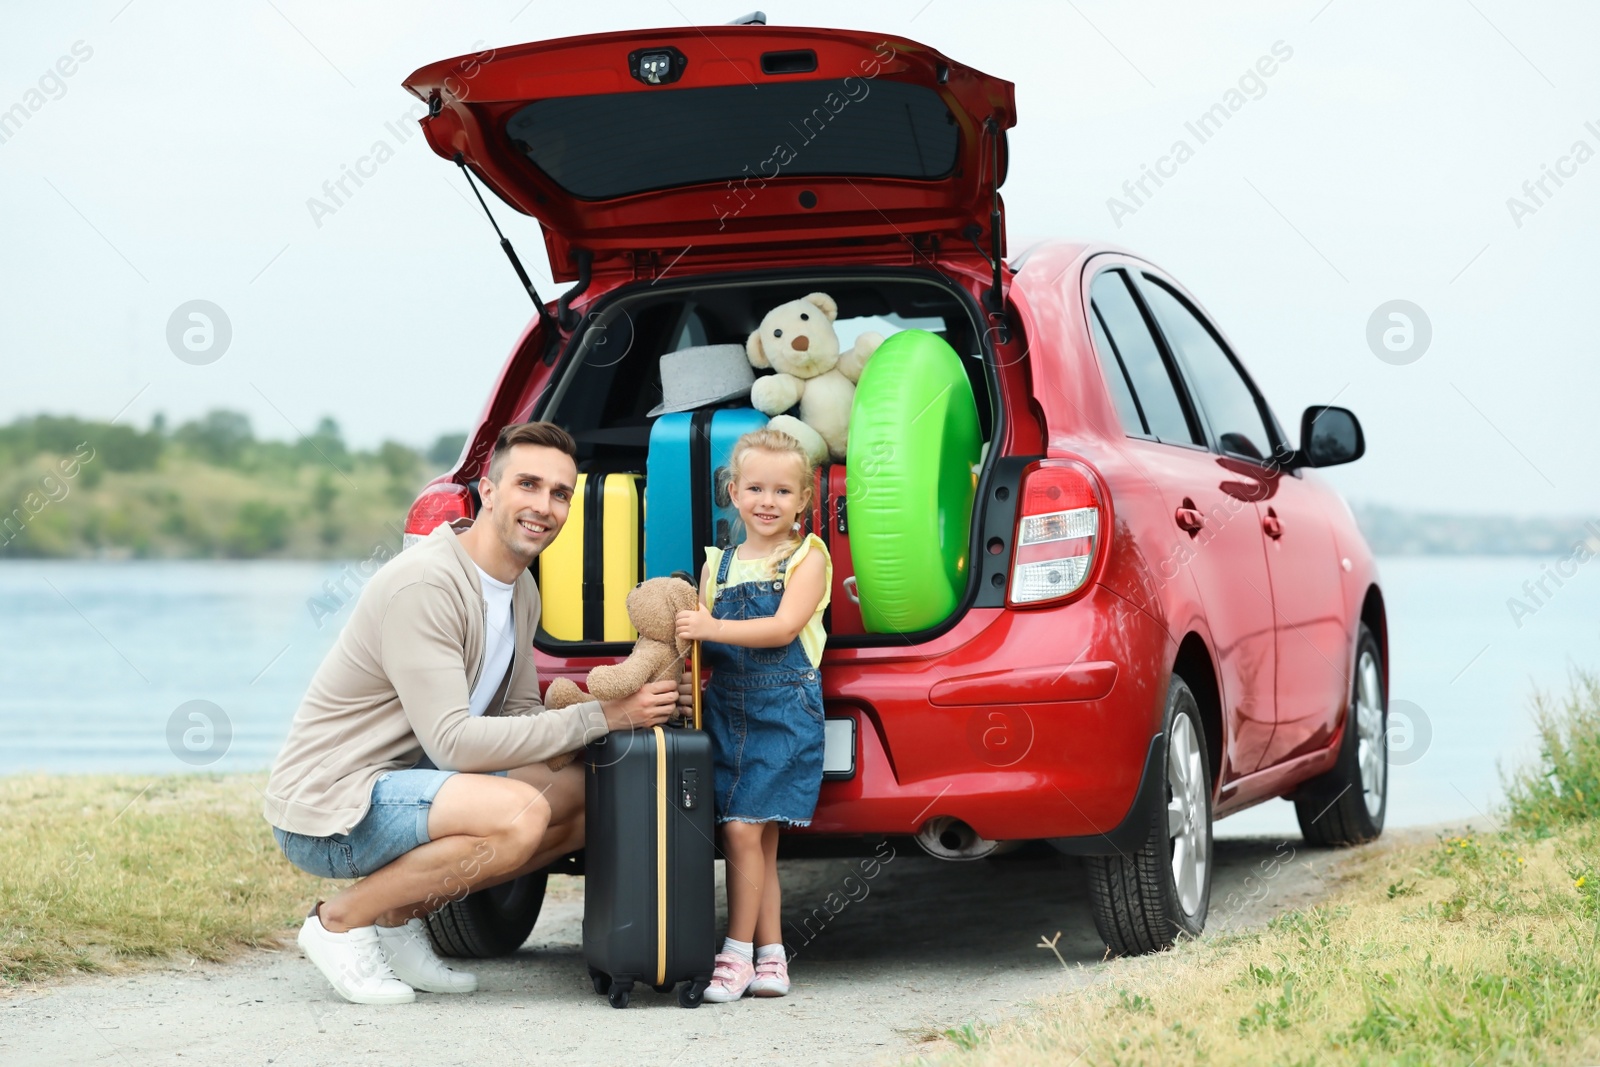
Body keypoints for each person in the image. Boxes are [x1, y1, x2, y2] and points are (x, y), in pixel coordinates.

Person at [262, 421, 681, 1005]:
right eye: (528, 485)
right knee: (516, 818)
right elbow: (456, 743)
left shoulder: (520, 589)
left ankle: (396, 919)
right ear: (488, 490)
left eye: (560, 493)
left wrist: (627, 704)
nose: (545, 506)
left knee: (593, 795)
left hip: (410, 786)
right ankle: (339, 922)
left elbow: (518, 717)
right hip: (333, 807)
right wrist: (603, 718)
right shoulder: (427, 584)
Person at [674, 428, 831, 1002]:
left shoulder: (807, 557)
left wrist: (711, 626)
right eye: (756, 488)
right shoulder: (721, 563)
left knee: (740, 829)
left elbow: (783, 627)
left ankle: (735, 954)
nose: (769, 502)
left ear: (804, 499)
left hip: (784, 710)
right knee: (757, 842)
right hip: (728, 710)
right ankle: (773, 957)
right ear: (733, 492)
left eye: (783, 491)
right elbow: (710, 650)